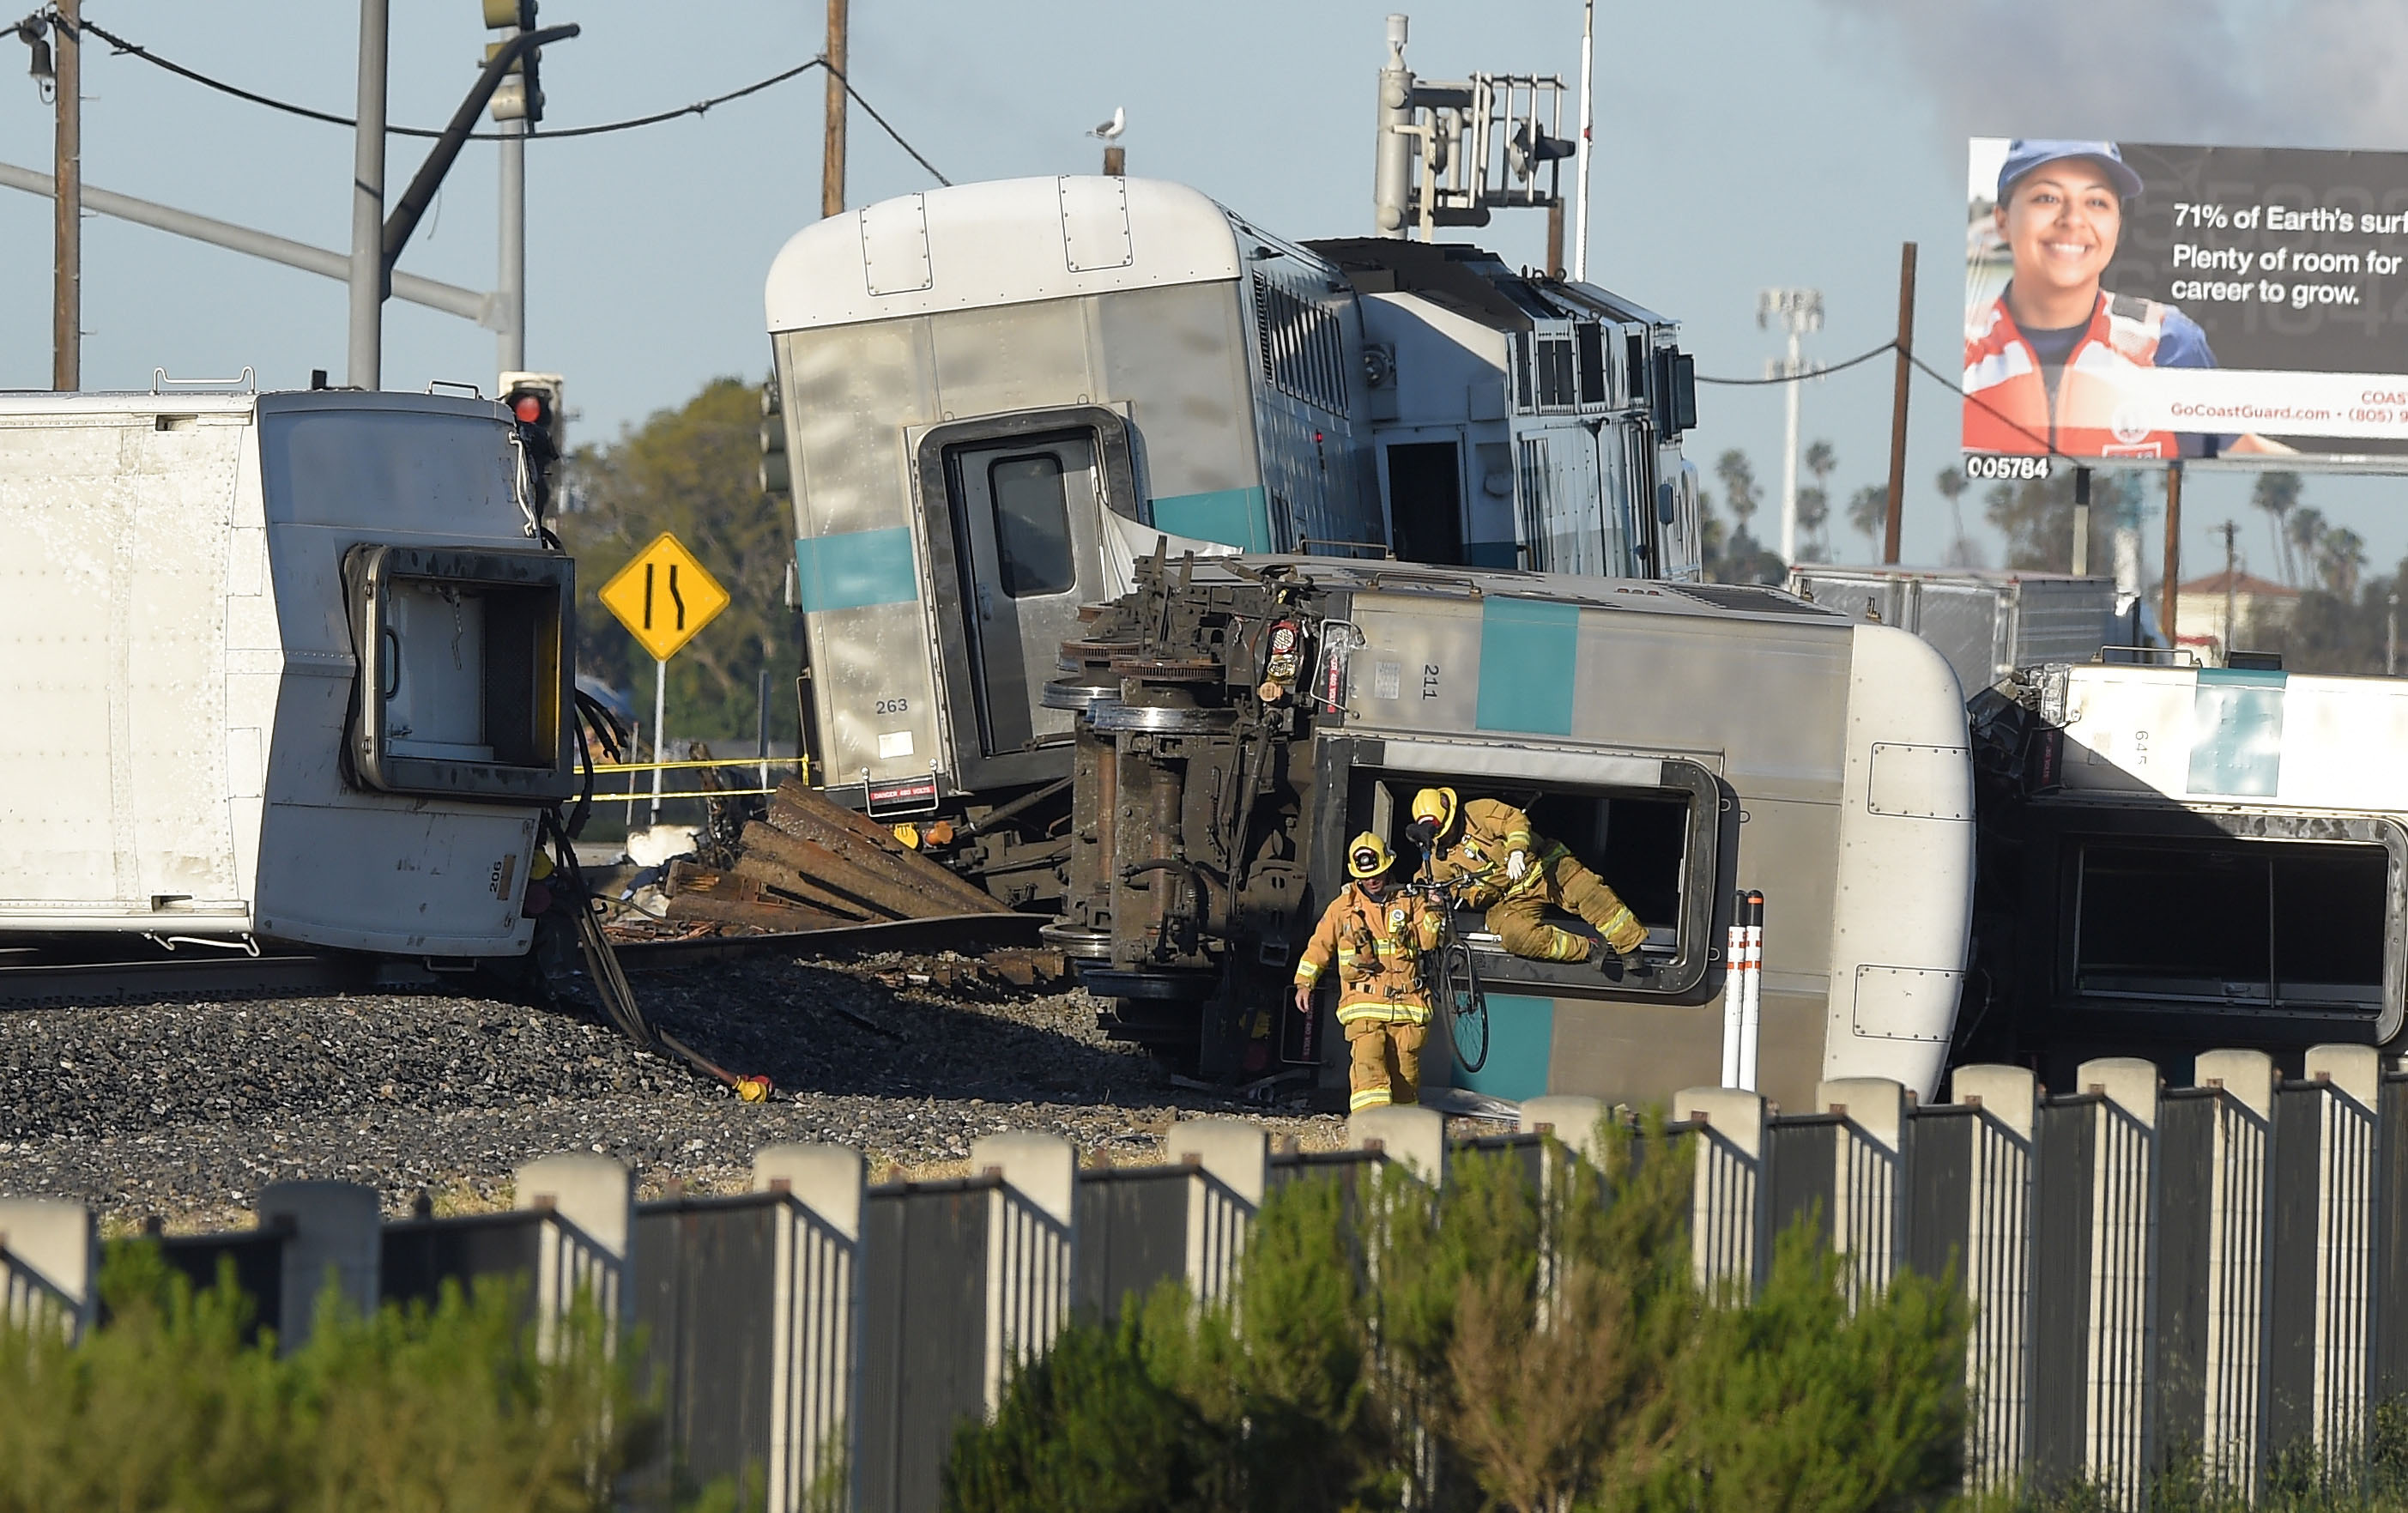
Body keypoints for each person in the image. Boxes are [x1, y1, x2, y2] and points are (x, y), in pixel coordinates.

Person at [1964, 139, 2285, 460]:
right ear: (2002, 221)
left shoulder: (2169, 343)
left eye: (2097, 202)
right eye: (2046, 198)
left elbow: (2243, 458)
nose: (2073, 219)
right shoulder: (1953, 348)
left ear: (2117, 226)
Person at [1407, 786, 1648, 971]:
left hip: (1542, 866)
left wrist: (1516, 852)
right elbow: (1425, 884)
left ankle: (1630, 948)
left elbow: (1514, 820)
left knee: (1585, 891)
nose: (1446, 836)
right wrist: (1430, 895)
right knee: (1514, 935)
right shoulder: (1436, 856)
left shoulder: (1479, 811)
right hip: (1508, 899)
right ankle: (1589, 949)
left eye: (1446, 828)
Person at [1292, 831, 1445, 1114]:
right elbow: (1320, 945)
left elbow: (1428, 941)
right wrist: (1305, 982)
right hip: (1364, 1008)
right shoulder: (1342, 909)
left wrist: (1434, 906)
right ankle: (1371, 1133)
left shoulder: (1409, 901)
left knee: (1406, 1083)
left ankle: (1403, 1143)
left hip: (1407, 1009)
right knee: (1369, 1076)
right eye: (1366, 876)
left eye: (1378, 873)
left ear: (1388, 867)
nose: (1372, 880)